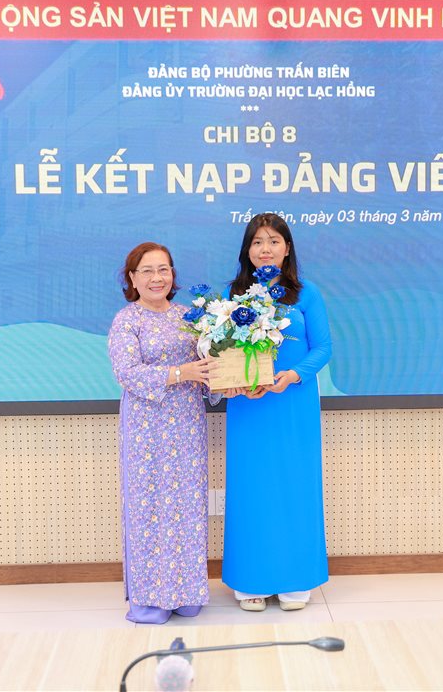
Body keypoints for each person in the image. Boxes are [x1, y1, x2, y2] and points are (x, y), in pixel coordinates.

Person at [221, 214, 333, 612]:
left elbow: (323, 348)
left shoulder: (307, 293)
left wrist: (293, 375)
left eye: (273, 241)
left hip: (292, 402)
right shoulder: (233, 294)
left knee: (293, 485)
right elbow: (219, 348)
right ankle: (250, 579)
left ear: (287, 248)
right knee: (251, 487)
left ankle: (295, 578)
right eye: (257, 242)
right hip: (248, 405)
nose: (264, 249)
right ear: (247, 251)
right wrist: (231, 380)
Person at [107, 242, 217, 624]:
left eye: (164, 269)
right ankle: (151, 599)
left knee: (187, 506)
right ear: (132, 278)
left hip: (187, 424)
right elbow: (127, 373)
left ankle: (186, 593)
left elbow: (207, 369)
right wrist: (180, 373)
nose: (157, 278)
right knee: (149, 508)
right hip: (145, 428)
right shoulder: (127, 320)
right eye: (148, 270)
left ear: (173, 275)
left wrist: (225, 376)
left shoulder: (190, 317)